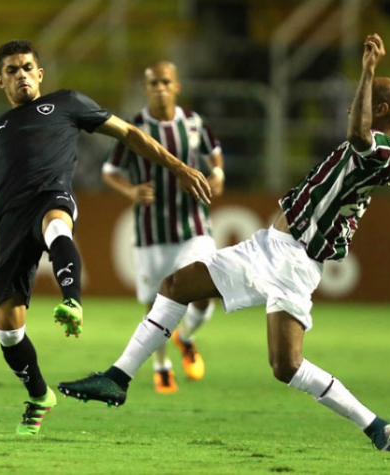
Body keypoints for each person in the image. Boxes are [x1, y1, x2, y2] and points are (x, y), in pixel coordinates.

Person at [58, 34, 390, 452]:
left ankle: (376, 426)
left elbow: (361, 135)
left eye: (360, 99)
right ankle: (118, 377)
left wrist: (367, 71)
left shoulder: (377, 151)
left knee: (286, 366)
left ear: (379, 109)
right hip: (267, 246)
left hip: (295, 262)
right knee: (175, 286)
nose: (351, 105)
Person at [0, 39, 211, 435]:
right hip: (7, 223)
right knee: (8, 329)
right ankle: (39, 394)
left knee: (57, 224)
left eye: (27, 67)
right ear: (0, 81)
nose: (21, 75)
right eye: (12, 70)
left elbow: (128, 134)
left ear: (39, 74)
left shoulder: (68, 103)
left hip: (51, 196)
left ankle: (72, 301)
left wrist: (177, 166)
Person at [103, 61, 225, 393]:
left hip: (193, 226)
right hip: (151, 232)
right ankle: (162, 366)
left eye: (165, 82)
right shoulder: (133, 127)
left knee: (205, 291)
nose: (159, 88)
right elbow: (109, 170)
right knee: (155, 304)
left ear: (176, 86)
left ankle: (186, 338)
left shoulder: (195, 124)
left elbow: (215, 154)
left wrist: (218, 175)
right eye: (153, 83)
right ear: (146, 88)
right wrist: (130, 191)